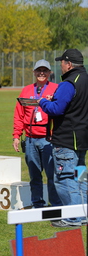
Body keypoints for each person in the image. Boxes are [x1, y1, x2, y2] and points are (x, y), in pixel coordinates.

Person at [38, 49, 88, 227]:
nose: (60, 66)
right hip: (82, 140)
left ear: (69, 64)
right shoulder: (85, 79)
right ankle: (83, 214)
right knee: (80, 178)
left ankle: (73, 217)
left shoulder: (68, 83)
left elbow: (56, 109)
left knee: (65, 179)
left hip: (66, 140)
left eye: (62, 63)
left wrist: (43, 102)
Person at [12, 59, 61, 209]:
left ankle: (55, 205)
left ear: (49, 73)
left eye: (45, 70)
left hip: (48, 139)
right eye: (39, 70)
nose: (41, 73)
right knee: (34, 176)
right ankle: (37, 204)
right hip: (30, 139)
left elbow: (61, 110)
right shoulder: (26, 90)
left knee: (52, 175)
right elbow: (19, 115)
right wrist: (16, 135)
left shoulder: (56, 88)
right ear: (34, 72)